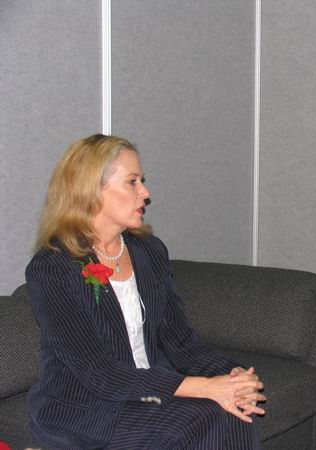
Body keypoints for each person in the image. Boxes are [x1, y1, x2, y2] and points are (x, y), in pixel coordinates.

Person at [26, 134, 265, 449]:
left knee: (238, 410)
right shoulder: (52, 268)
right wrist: (204, 387)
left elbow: (180, 341)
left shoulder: (148, 251)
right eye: (132, 182)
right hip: (86, 408)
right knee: (201, 417)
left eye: (142, 181)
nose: (146, 192)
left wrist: (232, 376)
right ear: (91, 190)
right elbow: (98, 372)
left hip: (149, 390)